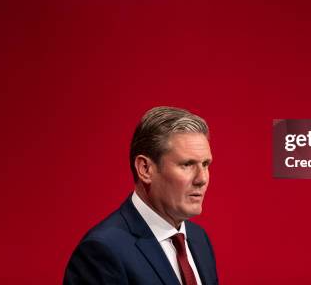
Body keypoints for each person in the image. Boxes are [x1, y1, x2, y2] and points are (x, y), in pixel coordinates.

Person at [64, 106, 218, 285]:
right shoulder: (102, 252)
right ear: (145, 169)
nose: (202, 179)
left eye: (206, 164)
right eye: (187, 164)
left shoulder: (199, 239)